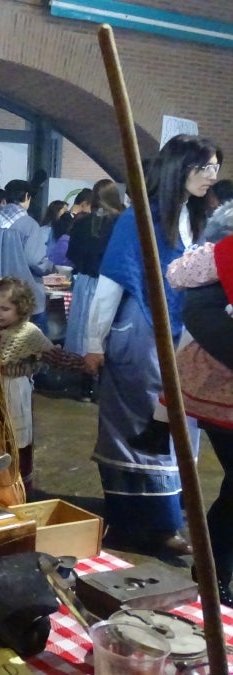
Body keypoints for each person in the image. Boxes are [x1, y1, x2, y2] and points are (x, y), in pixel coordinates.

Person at [82, 134, 223, 556]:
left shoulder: (200, 218)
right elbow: (111, 282)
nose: (212, 176)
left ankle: (170, 518)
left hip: (185, 335)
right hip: (141, 333)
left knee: (178, 425)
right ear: (179, 168)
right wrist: (94, 340)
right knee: (140, 427)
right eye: (204, 168)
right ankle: (140, 525)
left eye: (216, 167)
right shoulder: (139, 217)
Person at [164, 204, 233, 607]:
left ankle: (214, 569)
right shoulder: (217, 258)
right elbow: (195, 303)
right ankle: (212, 571)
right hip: (220, 388)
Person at [0, 277, 84, 492]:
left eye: (5, 308)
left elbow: (53, 356)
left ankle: (14, 483)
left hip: (14, 388)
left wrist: (83, 363)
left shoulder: (29, 332)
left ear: (21, 309)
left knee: (14, 435)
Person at [64, 179, 126, 401]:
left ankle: (85, 387)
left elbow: (71, 255)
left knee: (84, 333)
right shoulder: (122, 222)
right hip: (114, 284)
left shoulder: (81, 223)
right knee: (109, 333)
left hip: (85, 282)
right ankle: (107, 388)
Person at [0, 178, 54, 333]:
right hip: (24, 299)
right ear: (27, 197)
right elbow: (35, 261)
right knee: (35, 349)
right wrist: (51, 267)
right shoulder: (29, 225)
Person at [41, 200, 71, 266]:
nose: (67, 214)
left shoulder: (65, 231)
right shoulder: (45, 230)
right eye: (65, 211)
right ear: (56, 212)